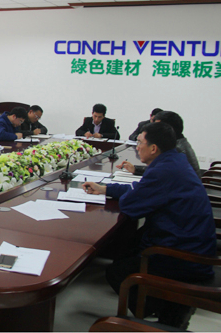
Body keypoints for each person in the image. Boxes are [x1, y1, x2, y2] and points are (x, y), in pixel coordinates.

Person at [82, 123, 216, 328]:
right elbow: (141, 191)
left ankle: (167, 312)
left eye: (140, 142)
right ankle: (168, 305)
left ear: (153, 148)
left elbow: (131, 205)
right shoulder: (174, 160)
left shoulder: (163, 170)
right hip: (193, 243)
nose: (137, 147)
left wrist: (118, 193)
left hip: (184, 256)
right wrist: (104, 189)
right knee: (127, 249)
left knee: (118, 272)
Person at [119, 111, 201, 177]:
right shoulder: (179, 143)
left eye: (157, 126)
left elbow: (160, 172)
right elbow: (159, 170)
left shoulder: (176, 150)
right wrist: (135, 169)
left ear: (167, 129)